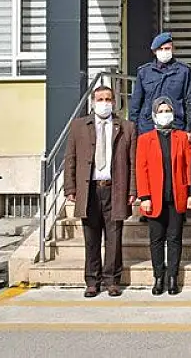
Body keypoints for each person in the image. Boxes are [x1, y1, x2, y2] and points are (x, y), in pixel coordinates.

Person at [64, 85, 137, 298]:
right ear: (93, 102)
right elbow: (71, 158)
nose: (104, 103)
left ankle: (112, 280)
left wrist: (132, 189)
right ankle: (92, 281)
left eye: (108, 99)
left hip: (115, 189)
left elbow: (132, 162)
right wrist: (70, 187)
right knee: (91, 238)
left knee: (114, 238)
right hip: (89, 189)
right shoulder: (78, 126)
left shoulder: (127, 127)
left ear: (114, 102)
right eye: (100, 99)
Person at [135, 97, 191, 296]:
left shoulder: (182, 137)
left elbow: (188, 166)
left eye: (168, 110)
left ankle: (173, 277)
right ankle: (159, 276)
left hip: (177, 196)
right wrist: (144, 197)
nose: (164, 114)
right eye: (161, 111)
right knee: (157, 239)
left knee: (174, 238)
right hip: (154, 198)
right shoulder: (145, 139)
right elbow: (141, 169)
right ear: (154, 115)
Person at [130, 32, 191, 134]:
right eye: (160, 49)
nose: (164, 51)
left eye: (167, 48)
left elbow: (189, 102)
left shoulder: (184, 71)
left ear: (173, 49)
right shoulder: (144, 72)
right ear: (154, 51)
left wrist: (189, 127)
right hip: (148, 127)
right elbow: (135, 104)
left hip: (176, 126)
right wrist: (133, 129)